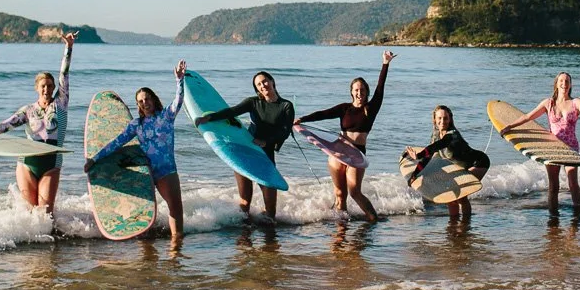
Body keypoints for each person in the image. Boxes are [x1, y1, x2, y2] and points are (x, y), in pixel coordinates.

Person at [0, 32, 77, 215]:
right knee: (30, 212)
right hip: (27, 163)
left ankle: (51, 241)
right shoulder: (28, 111)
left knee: (45, 214)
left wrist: (68, 48)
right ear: (37, 88)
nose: (47, 89)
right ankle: (31, 243)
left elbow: (64, 74)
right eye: (43, 86)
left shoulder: (60, 104)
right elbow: (6, 125)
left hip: (51, 164)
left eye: (50, 86)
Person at [84, 59, 188, 243]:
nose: (144, 103)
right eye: (140, 101)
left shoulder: (166, 116)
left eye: (147, 99)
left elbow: (178, 101)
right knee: (144, 212)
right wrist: (95, 158)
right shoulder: (137, 125)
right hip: (146, 172)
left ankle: (175, 247)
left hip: (166, 171)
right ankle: (147, 247)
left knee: (175, 208)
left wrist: (180, 80)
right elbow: (117, 142)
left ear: (154, 99)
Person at [295, 50, 396, 222]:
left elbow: (380, 87)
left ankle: (373, 219)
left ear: (366, 92)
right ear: (351, 92)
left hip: (357, 154)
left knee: (354, 191)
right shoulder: (344, 108)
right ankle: (341, 225)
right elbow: (324, 114)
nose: (359, 93)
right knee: (340, 193)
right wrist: (302, 119)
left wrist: (385, 64)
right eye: (356, 90)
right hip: (338, 151)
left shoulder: (371, 109)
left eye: (362, 90)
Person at [195, 71, 295, 222]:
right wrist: (209, 117)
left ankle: (269, 239)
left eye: (265, 81)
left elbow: (285, 131)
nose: (263, 86)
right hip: (246, 151)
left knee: (271, 211)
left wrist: (266, 142)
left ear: (272, 81)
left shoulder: (286, 106)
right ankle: (244, 236)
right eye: (259, 84)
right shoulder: (253, 102)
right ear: (256, 88)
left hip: (265, 155)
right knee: (244, 203)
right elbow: (232, 111)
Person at [497, 72, 580, 211]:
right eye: (561, 81)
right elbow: (528, 117)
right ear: (556, 84)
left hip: (571, 148)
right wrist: (510, 126)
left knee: (573, 183)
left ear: (571, 84)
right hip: (553, 149)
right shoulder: (548, 103)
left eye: (567, 81)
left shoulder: (576, 103)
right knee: (554, 185)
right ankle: (553, 217)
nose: (564, 83)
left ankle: (578, 214)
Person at [406, 105, 490, 221]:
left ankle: (466, 223)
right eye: (439, 118)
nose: (442, 121)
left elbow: (436, 146)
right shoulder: (436, 136)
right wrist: (414, 175)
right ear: (434, 119)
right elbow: (428, 157)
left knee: (461, 197)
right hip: (461, 166)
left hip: (478, 163)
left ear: (450, 119)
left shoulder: (452, 135)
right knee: (451, 197)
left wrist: (419, 154)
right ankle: (453, 222)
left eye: (445, 118)